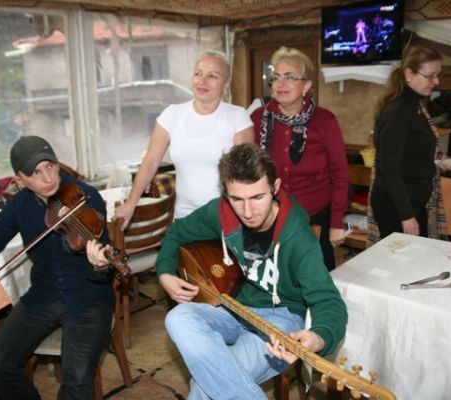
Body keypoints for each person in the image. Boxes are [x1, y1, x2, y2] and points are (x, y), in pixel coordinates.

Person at [157, 143, 347, 399]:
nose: (248, 212)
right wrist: (165, 273)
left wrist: (318, 338)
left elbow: (329, 301)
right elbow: (177, 232)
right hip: (233, 309)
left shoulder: (298, 237)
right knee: (178, 317)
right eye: (237, 199)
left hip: (281, 319)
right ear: (226, 194)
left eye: (257, 197)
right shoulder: (220, 211)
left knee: (204, 389)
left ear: (275, 188)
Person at [0, 136, 115, 400]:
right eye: (35, 173)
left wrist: (100, 267)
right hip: (43, 296)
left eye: (50, 166)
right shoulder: (19, 205)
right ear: (19, 181)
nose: (49, 178)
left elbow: (104, 272)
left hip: (89, 297)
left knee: (77, 380)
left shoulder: (86, 197)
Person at [115, 50, 254, 226]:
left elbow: (247, 174)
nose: (202, 81)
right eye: (198, 73)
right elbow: (150, 161)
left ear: (227, 83)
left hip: (226, 217)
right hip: (185, 217)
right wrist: (130, 204)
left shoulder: (237, 117)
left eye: (212, 76)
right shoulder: (172, 115)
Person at [250, 47, 348, 271]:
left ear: (306, 85)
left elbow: (340, 174)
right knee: (274, 279)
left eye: (290, 77)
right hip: (269, 218)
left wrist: (336, 222)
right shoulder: (257, 118)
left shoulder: (325, 121)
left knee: (316, 278)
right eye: (276, 77)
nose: (281, 83)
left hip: (314, 218)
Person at [370, 45, 451, 240]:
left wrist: (437, 162)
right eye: (430, 76)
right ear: (409, 74)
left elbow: (411, 155)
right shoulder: (397, 112)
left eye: (438, 75)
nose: (436, 81)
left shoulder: (415, 106)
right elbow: (389, 169)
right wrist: (407, 216)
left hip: (411, 203)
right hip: (396, 206)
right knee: (402, 257)